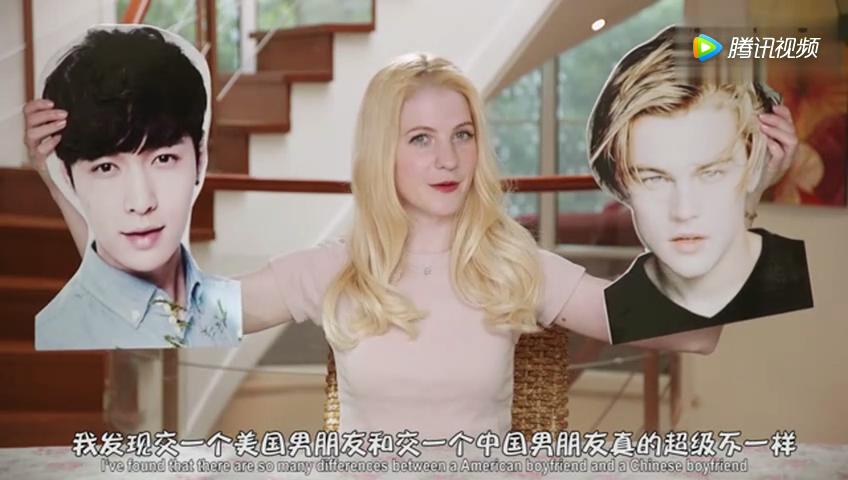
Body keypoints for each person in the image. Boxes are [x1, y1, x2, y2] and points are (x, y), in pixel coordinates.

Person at [25, 50, 795, 437]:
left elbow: (694, 333)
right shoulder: (331, 268)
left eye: (462, 134)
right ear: (382, 153)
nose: (447, 158)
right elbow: (161, 316)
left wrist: (747, 195)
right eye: (420, 138)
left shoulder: (516, 265)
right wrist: (68, 186)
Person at [588, 26, 813, 345]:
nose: (684, 211)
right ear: (621, 184)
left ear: (755, 165)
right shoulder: (618, 306)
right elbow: (695, 333)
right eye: (654, 178)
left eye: (711, 173)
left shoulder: (800, 273)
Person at [30, 25, 242, 350]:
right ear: (68, 178)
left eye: (163, 159)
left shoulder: (229, 304)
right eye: (105, 167)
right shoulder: (55, 334)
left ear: (200, 159)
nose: (141, 202)